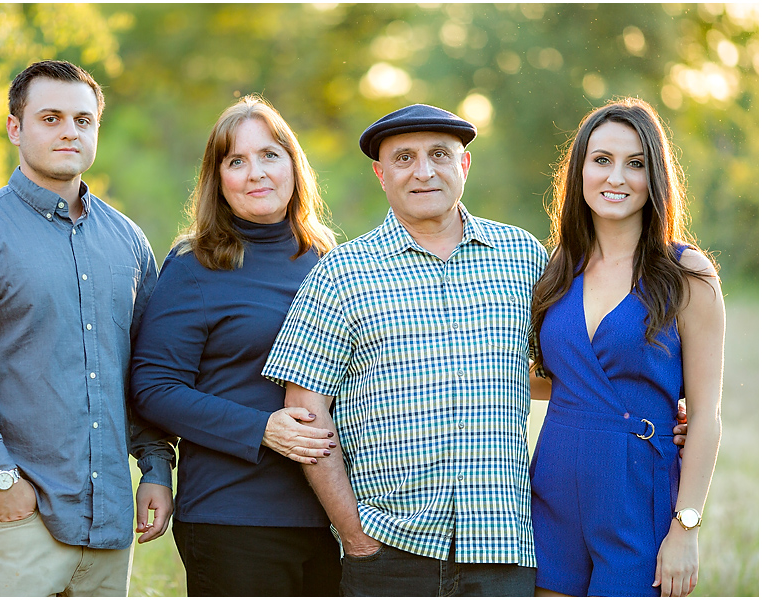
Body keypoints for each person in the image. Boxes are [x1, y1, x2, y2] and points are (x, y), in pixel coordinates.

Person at [261, 104, 548, 596]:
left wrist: (656, 402)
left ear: (465, 165)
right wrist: (353, 532)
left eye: (440, 154)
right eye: (404, 158)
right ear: (380, 173)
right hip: (391, 550)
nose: (423, 171)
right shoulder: (341, 274)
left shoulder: (524, 257)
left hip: (505, 547)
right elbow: (305, 412)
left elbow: (558, 375)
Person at [0, 60, 176, 596]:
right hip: (16, 523)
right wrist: (1, 479)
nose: (68, 132)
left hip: (109, 530)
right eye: (50, 118)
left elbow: (143, 369)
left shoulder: (127, 242)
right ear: (16, 128)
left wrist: (154, 466)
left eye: (82, 120)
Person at [129, 95, 341, 596]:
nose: (256, 173)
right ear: (217, 178)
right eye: (236, 161)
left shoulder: (331, 262)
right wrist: (262, 429)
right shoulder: (195, 266)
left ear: (294, 164)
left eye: (270, 155)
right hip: (233, 516)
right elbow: (152, 387)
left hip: (331, 517)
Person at [528, 98, 724, 597]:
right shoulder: (555, 270)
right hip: (552, 491)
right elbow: (560, 379)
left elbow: (705, 414)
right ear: (580, 171)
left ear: (654, 175)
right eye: (602, 160)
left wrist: (686, 527)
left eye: (635, 163)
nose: (617, 177)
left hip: (638, 493)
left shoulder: (687, 274)